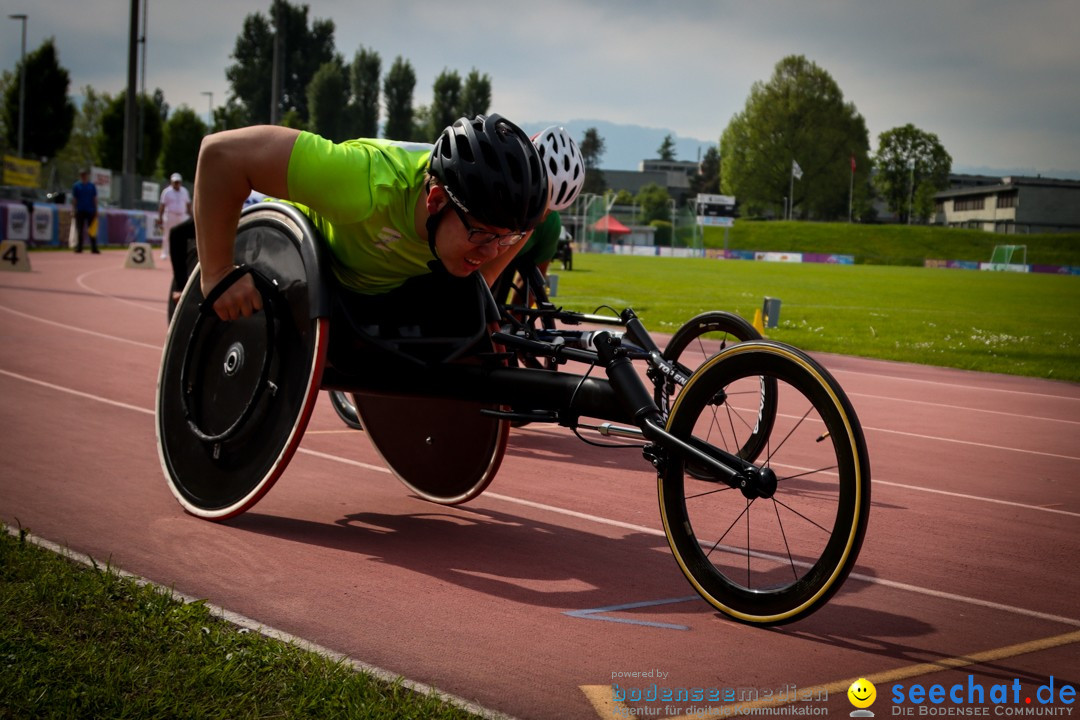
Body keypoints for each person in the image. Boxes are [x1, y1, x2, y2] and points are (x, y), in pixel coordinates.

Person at [193, 113, 548, 324]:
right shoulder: (363, 185)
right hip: (300, 277)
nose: (491, 251)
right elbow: (221, 155)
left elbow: (519, 232)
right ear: (436, 201)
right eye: (482, 234)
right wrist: (218, 273)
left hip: (384, 297)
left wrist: (487, 276)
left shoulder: (492, 225)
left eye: (507, 238)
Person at [158, 172, 191, 261]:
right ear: (171, 182)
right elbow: (162, 205)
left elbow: (188, 204)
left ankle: (182, 253)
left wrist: (191, 215)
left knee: (183, 236)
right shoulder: (166, 192)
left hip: (182, 216)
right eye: (175, 182)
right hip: (170, 215)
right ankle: (165, 253)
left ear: (180, 182)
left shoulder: (184, 191)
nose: (176, 184)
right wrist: (160, 218)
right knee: (167, 234)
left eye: (178, 182)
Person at [70, 169, 99, 254]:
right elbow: (74, 199)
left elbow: (95, 199)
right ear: (80, 176)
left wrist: (96, 210)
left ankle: (94, 247)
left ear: (87, 175)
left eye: (85, 174)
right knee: (80, 229)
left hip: (90, 210)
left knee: (92, 229)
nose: (83, 176)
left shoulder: (91, 186)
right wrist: (73, 209)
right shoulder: (76, 186)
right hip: (80, 210)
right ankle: (79, 247)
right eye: (82, 175)